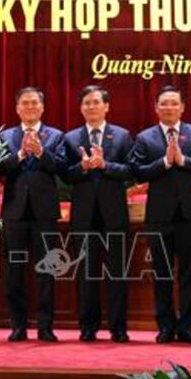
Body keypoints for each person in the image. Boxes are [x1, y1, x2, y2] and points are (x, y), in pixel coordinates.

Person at [129, 84, 191, 345]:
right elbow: (137, 171)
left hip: (189, 214)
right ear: (156, 108)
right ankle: (165, 326)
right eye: (164, 103)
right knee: (162, 272)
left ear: (182, 107)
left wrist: (183, 161)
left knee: (190, 273)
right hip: (159, 215)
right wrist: (165, 162)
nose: (169, 107)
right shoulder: (145, 138)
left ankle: (187, 327)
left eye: (174, 103)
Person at [62, 85, 133, 343]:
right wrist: (82, 167)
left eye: (96, 102)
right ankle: (88, 327)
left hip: (114, 214)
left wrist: (105, 165)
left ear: (106, 106)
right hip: (83, 215)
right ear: (81, 108)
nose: (91, 107)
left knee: (117, 272)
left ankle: (118, 327)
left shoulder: (122, 136)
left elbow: (131, 171)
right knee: (86, 272)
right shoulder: (70, 138)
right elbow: (64, 175)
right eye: (87, 103)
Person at [0, 87, 65, 342]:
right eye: (25, 103)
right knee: (14, 271)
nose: (30, 107)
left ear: (42, 107)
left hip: (44, 212)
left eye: (34, 103)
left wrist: (40, 152)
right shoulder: (5, 136)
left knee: (46, 271)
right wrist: (20, 154)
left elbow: (61, 167)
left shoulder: (55, 136)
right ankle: (18, 326)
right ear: (17, 108)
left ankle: (45, 327)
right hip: (14, 211)